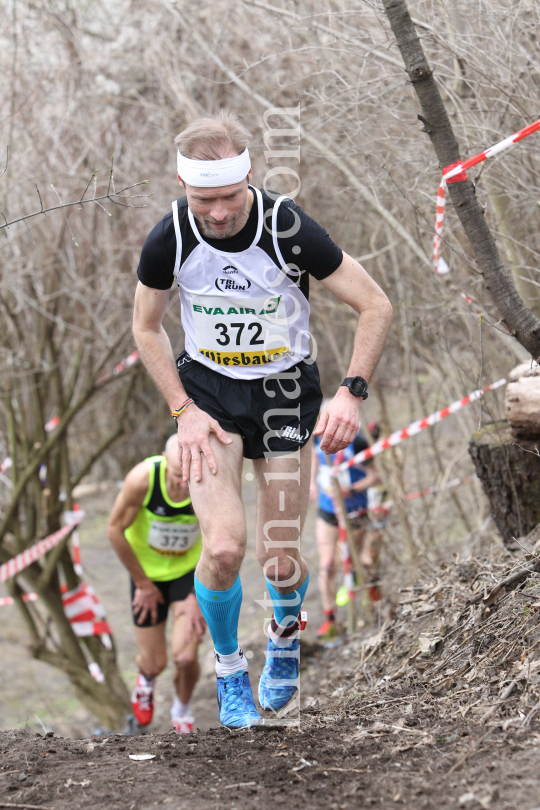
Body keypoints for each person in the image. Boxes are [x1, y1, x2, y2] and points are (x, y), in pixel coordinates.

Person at [132, 110, 392, 728]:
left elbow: (375, 304)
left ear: (249, 174)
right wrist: (182, 410)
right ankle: (228, 671)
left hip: (282, 394)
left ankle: (282, 637)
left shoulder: (289, 229)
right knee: (222, 548)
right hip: (210, 398)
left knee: (279, 557)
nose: (217, 213)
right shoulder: (169, 236)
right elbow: (145, 328)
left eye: (227, 197)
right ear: (182, 184)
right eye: (203, 200)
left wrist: (351, 393)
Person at [107, 436, 205, 733]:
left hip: (188, 574)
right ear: (164, 460)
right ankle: (145, 682)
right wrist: (142, 583)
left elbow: (224, 537)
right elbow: (114, 530)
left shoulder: (207, 481)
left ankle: (182, 712)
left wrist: (197, 591)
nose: (183, 486)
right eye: (177, 476)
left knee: (186, 657)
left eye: (188, 477)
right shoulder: (142, 480)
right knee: (154, 664)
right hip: (146, 577)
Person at [310, 417, 382, 638]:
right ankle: (329, 618)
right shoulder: (317, 438)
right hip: (327, 509)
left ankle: (375, 601)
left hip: (354, 510)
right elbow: (315, 456)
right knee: (327, 563)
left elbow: (375, 476)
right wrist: (312, 483)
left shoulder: (358, 442)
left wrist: (351, 489)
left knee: (353, 562)